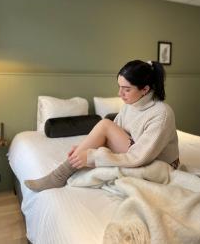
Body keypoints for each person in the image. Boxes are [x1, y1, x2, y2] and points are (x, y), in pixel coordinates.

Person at [25, 60, 179, 192]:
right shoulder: (131, 104)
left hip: (158, 162)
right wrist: (83, 149)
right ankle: (60, 173)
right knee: (106, 126)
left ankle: (58, 176)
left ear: (145, 90)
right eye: (119, 87)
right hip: (138, 149)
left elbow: (139, 157)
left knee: (105, 124)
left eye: (126, 89)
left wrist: (92, 156)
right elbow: (113, 134)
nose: (120, 94)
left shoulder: (162, 113)